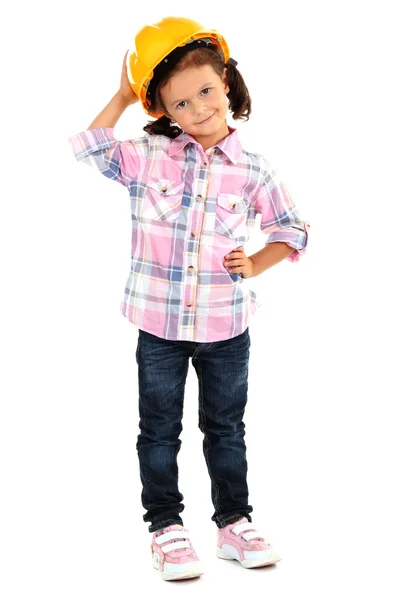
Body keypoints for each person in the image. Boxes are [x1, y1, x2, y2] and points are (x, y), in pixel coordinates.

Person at [68, 16, 310, 581]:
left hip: (227, 327)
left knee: (225, 428)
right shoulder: (149, 157)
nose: (199, 108)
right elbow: (87, 148)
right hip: (158, 325)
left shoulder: (254, 169)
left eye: (205, 91)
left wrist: (255, 263)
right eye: (180, 104)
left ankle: (233, 523)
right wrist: (124, 94)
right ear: (164, 113)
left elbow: (293, 228)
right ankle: (166, 529)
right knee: (158, 429)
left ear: (226, 81)